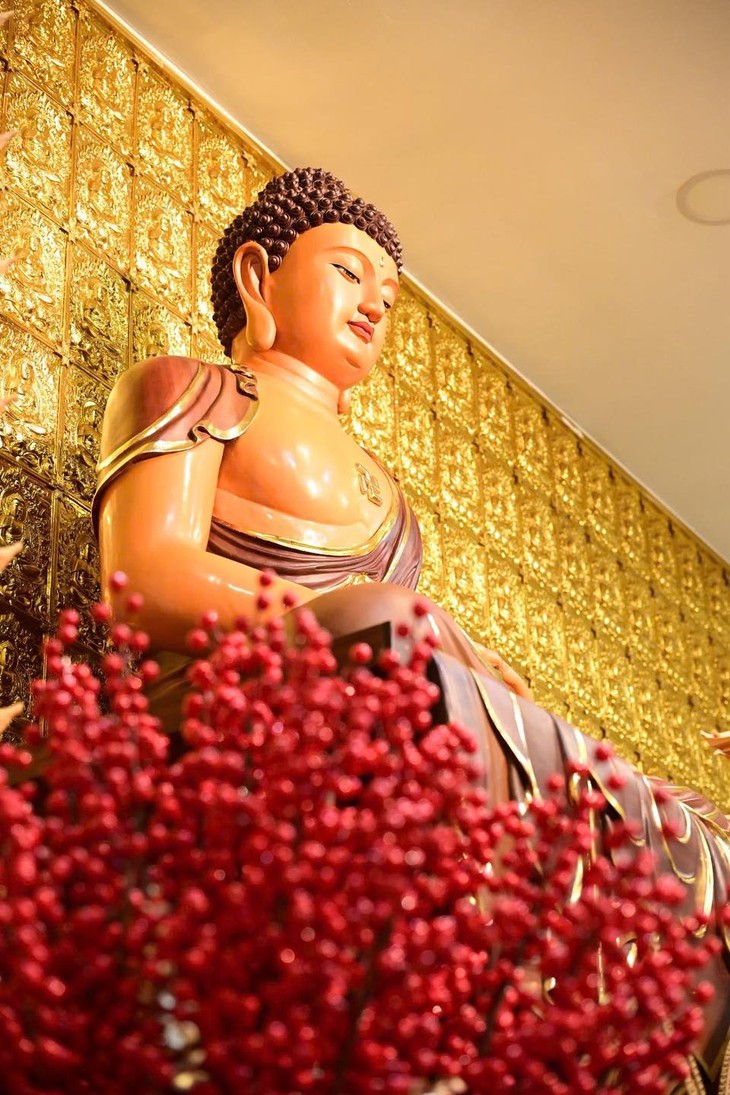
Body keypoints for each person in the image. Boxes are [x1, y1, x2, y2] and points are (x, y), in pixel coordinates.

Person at [94, 168, 729, 1075]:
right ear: (257, 277)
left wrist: (472, 662)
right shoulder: (194, 389)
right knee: (397, 628)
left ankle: (612, 1021)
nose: (372, 307)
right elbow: (145, 575)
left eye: (387, 299)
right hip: (230, 693)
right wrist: (380, 615)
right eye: (348, 273)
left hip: (374, 683)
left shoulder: (390, 496)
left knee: (670, 816)